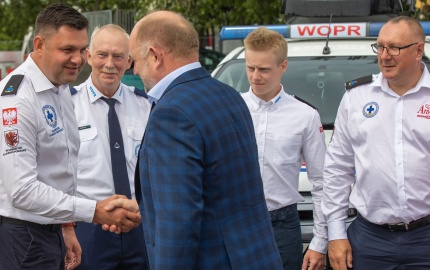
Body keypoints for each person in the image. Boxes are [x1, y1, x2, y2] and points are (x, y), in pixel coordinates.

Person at [0, 4, 140, 270]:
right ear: (40, 44)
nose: (77, 59)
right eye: (67, 50)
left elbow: (60, 169)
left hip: (47, 227)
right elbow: (22, 191)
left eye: (80, 49)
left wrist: (66, 227)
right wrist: (93, 211)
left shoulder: (59, 87)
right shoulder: (16, 103)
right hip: (20, 234)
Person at [128, 10, 283, 269]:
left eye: (135, 59)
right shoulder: (229, 95)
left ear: (155, 56)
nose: (133, 68)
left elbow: (177, 223)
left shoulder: (171, 112)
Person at [322, 16, 430, 270]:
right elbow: (337, 169)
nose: (384, 55)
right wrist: (336, 234)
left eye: (394, 47)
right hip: (370, 240)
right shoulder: (356, 98)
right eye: (380, 47)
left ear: (418, 50)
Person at [242, 27, 328, 270]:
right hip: (235, 222)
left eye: (264, 69)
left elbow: (321, 182)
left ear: (283, 66)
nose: (255, 76)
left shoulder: (305, 116)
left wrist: (319, 241)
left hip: (282, 226)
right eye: (250, 68)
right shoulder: (230, 108)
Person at [71, 24, 150, 270]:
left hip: (141, 226)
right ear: (89, 57)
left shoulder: (147, 106)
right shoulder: (67, 107)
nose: (109, 63)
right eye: (102, 54)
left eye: (118, 56)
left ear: (129, 61)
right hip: (89, 228)